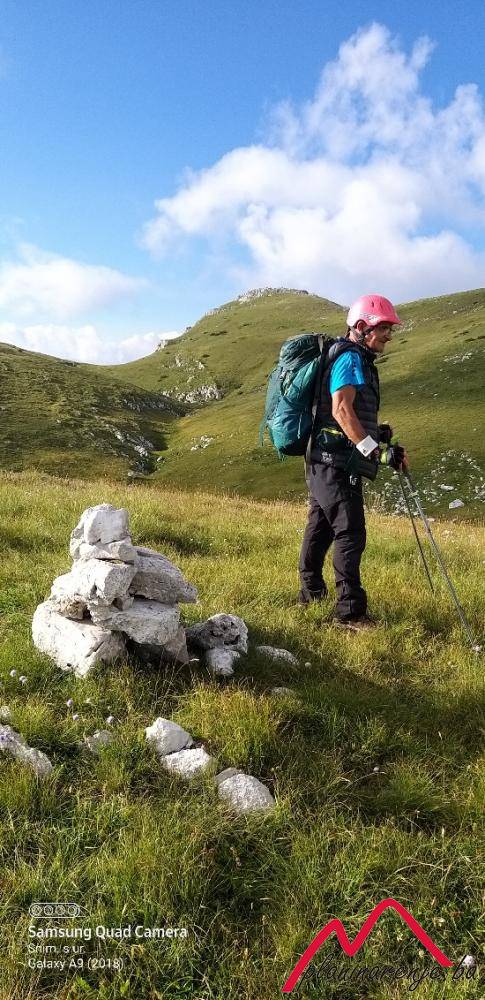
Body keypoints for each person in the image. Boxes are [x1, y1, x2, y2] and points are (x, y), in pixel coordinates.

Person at [298, 293, 407, 630]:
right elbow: (341, 409)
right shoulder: (349, 357)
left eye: (390, 329)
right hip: (335, 462)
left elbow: (350, 410)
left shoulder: (353, 357)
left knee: (320, 527)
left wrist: (376, 431)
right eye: (383, 328)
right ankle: (350, 614)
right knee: (351, 532)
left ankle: (310, 596)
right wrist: (375, 450)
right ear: (361, 326)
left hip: (325, 459)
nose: (389, 335)